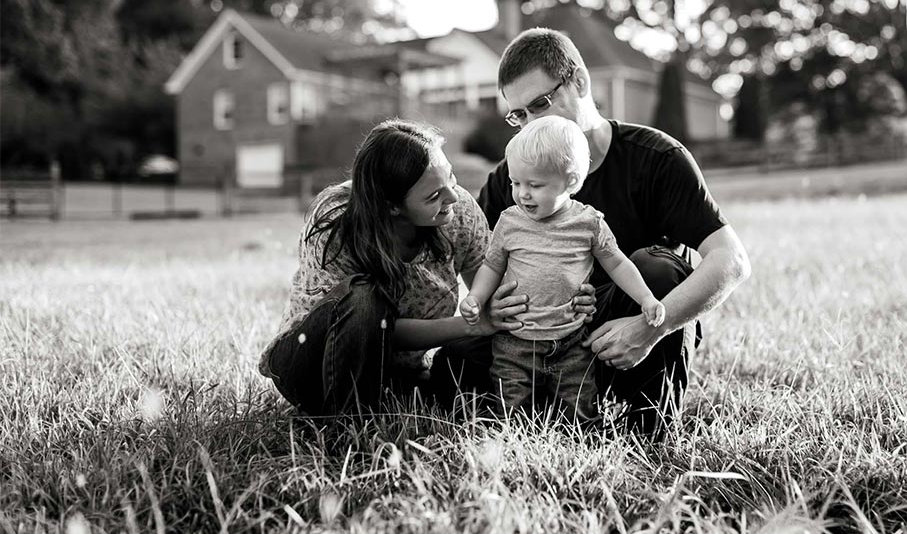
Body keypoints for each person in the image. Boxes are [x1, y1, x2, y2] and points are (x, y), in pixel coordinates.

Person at [469, 27, 751, 438]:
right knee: (456, 358)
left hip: (625, 338)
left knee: (656, 268)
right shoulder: (510, 181)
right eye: (519, 115)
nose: (530, 125)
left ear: (580, 82)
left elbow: (731, 260)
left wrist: (653, 326)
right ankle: (538, 417)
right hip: (539, 340)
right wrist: (491, 308)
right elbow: (478, 265)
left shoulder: (656, 158)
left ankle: (647, 433)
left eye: (540, 105)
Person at [261, 119, 582, 415]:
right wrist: (473, 325)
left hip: (400, 374)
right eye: (433, 196)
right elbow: (369, 328)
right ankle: (344, 430)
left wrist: (554, 300)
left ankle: (551, 405)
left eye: (451, 179)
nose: (452, 198)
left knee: (495, 340)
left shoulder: (459, 213)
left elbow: (494, 297)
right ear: (391, 206)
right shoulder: (335, 222)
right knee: (363, 299)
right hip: (311, 366)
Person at [460, 115, 667, 420]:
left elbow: (618, 263)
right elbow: (492, 265)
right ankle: (514, 442)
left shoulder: (588, 223)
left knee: (578, 406)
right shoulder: (510, 220)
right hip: (515, 340)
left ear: (570, 181)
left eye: (535, 184)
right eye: (515, 183)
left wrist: (646, 298)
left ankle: (579, 434)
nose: (522, 194)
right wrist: (477, 297)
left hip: (571, 341)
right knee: (510, 405)